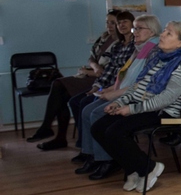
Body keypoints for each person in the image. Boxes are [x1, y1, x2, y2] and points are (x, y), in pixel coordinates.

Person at [91, 21, 181, 193]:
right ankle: (132, 168)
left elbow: (166, 99)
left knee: (115, 132)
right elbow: (138, 87)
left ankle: (148, 167)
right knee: (98, 128)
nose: (162, 35)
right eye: (164, 32)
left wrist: (132, 109)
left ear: (180, 43)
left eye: (169, 34)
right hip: (144, 106)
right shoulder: (158, 59)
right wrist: (120, 102)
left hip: (164, 112)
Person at [75, 15, 162, 179]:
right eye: (134, 28)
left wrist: (115, 93)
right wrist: (109, 89)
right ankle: (91, 154)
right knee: (87, 110)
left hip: (138, 98)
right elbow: (125, 75)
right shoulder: (139, 47)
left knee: (96, 114)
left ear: (152, 31)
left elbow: (144, 83)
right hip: (125, 91)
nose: (134, 32)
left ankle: (107, 160)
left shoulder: (153, 49)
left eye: (138, 28)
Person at [40, 11, 137, 152]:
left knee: (66, 91)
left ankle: (60, 134)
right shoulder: (108, 41)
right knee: (70, 98)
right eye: (114, 23)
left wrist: (94, 76)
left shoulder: (133, 46)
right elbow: (93, 59)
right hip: (101, 81)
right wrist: (96, 80)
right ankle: (80, 144)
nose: (114, 26)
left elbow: (114, 72)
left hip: (112, 84)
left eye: (116, 22)